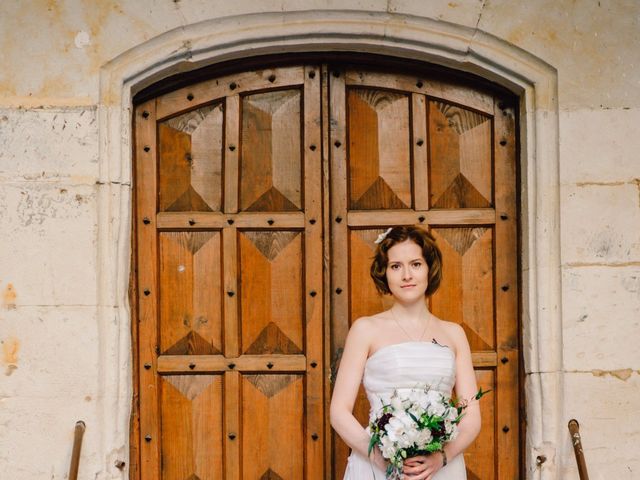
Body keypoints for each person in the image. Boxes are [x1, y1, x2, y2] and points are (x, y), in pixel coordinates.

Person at [330, 226, 481, 480]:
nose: (407, 275)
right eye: (396, 266)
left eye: (416, 264)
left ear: (429, 269)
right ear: (385, 273)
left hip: (440, 468)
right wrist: (380, 457)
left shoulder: (454, 333)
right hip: (378, 465)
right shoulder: (365, 329)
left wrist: (441, 458)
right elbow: (339, 411)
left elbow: (471, 415)